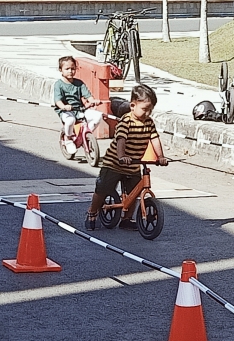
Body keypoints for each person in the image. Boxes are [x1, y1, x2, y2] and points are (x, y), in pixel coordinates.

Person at [85, 83, 167, 231]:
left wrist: (160, 156)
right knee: (103, 188)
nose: (147, 114)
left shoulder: (149, 123)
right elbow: (121, 140)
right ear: (132, 105)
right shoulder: (126, 121)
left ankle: (127, 218)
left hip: (134, 164)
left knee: (133, 192)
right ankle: (92, 211)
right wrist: (122, 156)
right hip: (114, 163)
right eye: (144, 109)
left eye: (150, 110)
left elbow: (154, 139)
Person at [53, 56, 106, 147]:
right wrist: (64, 106)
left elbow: (87, 95)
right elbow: (58, 100)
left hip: (80, 109)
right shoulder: (59, 85)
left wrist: (93, 101)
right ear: (60, 70)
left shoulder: (79, 83)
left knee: (98, 117)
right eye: (67, 69)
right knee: (70, 120)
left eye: (73, 69)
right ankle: (68, 138)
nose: (70, 71)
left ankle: (84, 135)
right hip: (66, 111)